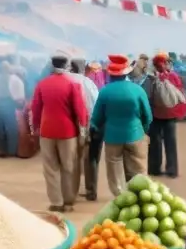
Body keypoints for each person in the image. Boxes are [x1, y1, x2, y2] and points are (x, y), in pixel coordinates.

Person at [30, 54, 88, 212]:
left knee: (50, 168)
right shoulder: (72, 84)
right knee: (68, 167)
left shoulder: (42, 84)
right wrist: (83, 128)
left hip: (47, 131)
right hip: (68, 132)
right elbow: (80, 110)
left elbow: (35, 109)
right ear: (67, 65)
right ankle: (68, 201)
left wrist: (34, 127)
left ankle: (56, 202)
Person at [91, 54, 153, 196]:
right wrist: (143, 131)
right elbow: (148, 116)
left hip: (112, 137)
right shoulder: (138, 90)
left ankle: (120, 198)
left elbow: (96, 118)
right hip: (135, 134)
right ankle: (139, 197)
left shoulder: (105, 91)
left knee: (114, 171)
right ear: (127, 72)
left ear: (110, 74)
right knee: (138, 170)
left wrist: (96, 128)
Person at [148, 52, 186, 177]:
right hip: (171, 115)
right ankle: (172, 169)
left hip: (155, 114)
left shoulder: (150, 78)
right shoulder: (173, 76)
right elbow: (179, 93)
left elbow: (148, 96)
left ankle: (154, 168)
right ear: (165, 63)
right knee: (171, 142)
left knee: (155, 142)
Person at [69, 60, 101, 201]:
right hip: (89, 125)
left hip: (70, 125)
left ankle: (71, 191)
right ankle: (91, 190)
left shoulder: (66, 81)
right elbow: (96, 105)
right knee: (91, 160)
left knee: (73, 158)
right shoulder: (89, 83)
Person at [0, 61, 25, 157]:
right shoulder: (14, 79)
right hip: (6, 104)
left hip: (2, 104)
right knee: (8, 128)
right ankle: (10, 150)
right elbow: (19, 94)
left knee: (4, 129)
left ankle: (5, 150)